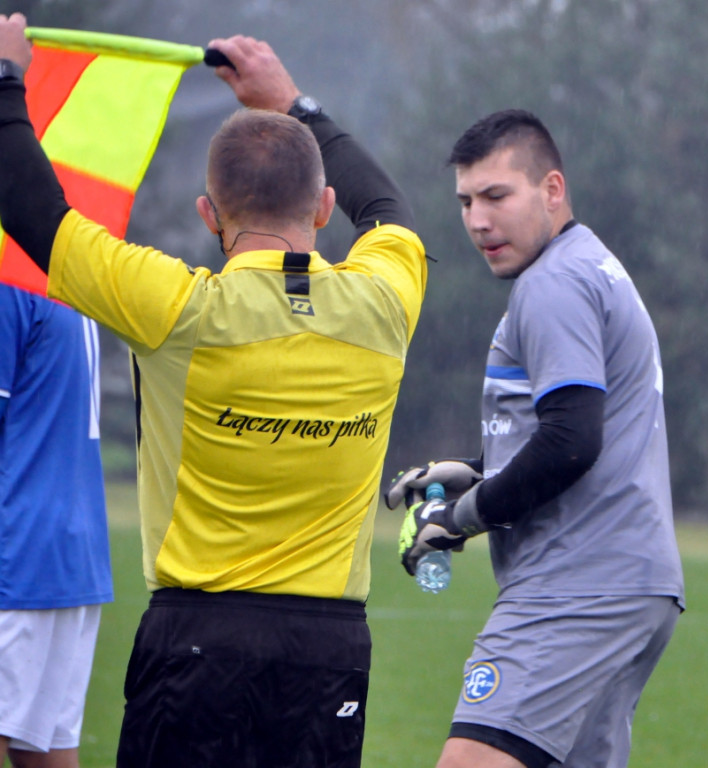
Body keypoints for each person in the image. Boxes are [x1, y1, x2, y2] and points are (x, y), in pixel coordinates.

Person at [0, 14, 427, 768]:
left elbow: (38, 217)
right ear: (323, 210)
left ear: (209, 216)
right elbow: (390, 210)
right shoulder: (386, 302)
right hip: (329, 651)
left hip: (195, 640)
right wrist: (298, 105)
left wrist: (7, 83)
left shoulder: (178, 309)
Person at [389, 109, 684, 767]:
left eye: (497, 195)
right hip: (631, 584)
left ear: (552, 189)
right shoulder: (592, 265)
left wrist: (460, 519)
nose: (477, 221)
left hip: (577, 586)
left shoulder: (552, 283)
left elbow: (572, 442)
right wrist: (475, 469)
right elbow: (575, 429)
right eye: (465, 201)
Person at [0, 283, 113, 768]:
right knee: (45, 751)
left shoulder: (7, 286)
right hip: (71, 555)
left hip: (16, 557)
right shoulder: (61, 278)